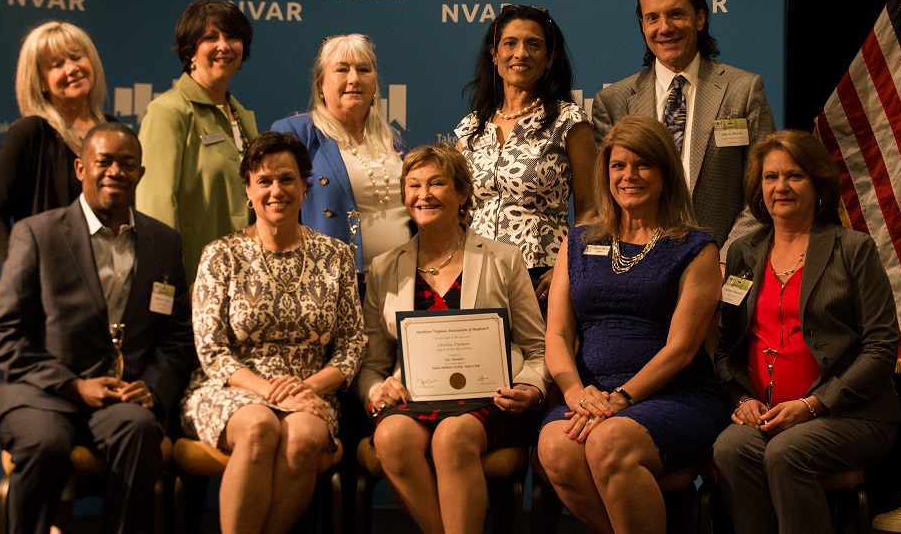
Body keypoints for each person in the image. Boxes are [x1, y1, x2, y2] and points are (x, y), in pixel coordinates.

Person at [0, 122, 195, 534]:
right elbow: (0, 334)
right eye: (105, 162)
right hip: (41, 395)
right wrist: (71, 385)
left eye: (128, 164)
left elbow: (178, 335)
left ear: (141, 174)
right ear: (81, 168)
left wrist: (152, 385)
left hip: (120, 399)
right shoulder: (37, 234)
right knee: (46, 445)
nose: (116, 171)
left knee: (139, 431)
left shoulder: (163, 242)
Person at [536, 114, 730, 534]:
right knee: (555, 447)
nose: (629, 176)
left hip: (674, 394)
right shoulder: (578, 240)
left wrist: (622, 397)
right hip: (592, 395)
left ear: (665, 173)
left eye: (643, 164)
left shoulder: (696, 247)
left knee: (609, 443)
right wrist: (573, 391)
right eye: (618, 165)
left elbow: (682, 349)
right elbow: (556, 335)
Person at [712, 129, 901, 534]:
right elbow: (726, 346)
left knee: (787, 452)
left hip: (851, 414)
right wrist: (741, 397)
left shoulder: (853, 249)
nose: (780, 186)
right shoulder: (743, 251)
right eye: (770, 177)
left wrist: (814, 404)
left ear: (818, 185)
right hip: (767, 416)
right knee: (730, 446)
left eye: (794, 176)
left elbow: (882, 347)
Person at [354, 143, 549, 534]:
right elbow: (373, 364)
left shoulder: (503, 259)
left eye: (437, 183)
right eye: (413, 186)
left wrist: (531, 388)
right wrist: (376, 391)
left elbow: (538, 348)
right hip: (416, 397)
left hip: (489, 398)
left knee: (452, 436)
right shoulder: (383, 267)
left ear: (462, 193)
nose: (423, 195)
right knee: (391, 437)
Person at [179, 131, 366, 534]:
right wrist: (267, 392)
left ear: (305, 186)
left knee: (302, 437)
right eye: (264, 181)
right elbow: (211, 350)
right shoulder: (221, 254)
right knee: (260, 426)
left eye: (287, 179)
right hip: (231, 389)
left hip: (310, 390)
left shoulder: (335, 255)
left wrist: (308, 388)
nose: (275, 190)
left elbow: (353, 342)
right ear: (248, 190)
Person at [591, 0, 776, 263]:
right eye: (652, 18)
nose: (664, 28)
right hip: (640, 268)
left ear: (700, 18)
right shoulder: (613, 102)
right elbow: (607, 200)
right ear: (642, 25)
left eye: (676, 14)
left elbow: (763, 192)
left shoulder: (743, 90)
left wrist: (724, 261)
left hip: (722, 264)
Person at [455, 4, 596, 308]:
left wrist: (566, 266)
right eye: (510, 43)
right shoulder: (470, 128)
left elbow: (592, 208)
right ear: (495, 54)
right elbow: (458, 209)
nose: (521, 53)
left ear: (549, 58)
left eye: (534, 44)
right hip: (473, 272)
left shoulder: (569, 121)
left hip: (541, 276)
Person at [135, 0, 259, 284]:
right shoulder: (169, 111)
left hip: (242, 280)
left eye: (232, 36)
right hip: (189, 281)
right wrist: (169, 281)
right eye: (210, 37)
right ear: (190, 49)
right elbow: (155, 208)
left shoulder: (242, 117)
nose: (224, 46)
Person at [270, 33, 411, 281]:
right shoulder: (297, 134)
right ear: (320, 82)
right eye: (342, 69)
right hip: (330, 284)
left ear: (375, 83)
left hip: (402, 283)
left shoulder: (393, 141)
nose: (354, 79)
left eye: (364, 70)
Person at [0, 21, 114, 265]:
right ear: (41, 82)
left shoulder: (114, 133)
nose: (71, 69)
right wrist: (19, 273)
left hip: (111, 278)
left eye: (76, 57)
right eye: (57, 64)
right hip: (50, 284)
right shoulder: (30, 133)